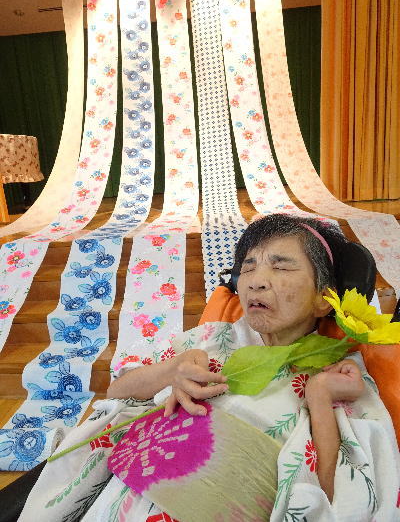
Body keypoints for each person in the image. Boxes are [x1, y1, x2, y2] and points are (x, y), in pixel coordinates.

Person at [18, 214, 400, 521]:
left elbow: (342, 498)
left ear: (323, 299)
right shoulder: (210, 339)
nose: (256, 282)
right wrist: (171, 371)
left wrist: (318, 397)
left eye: (281, 267)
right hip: (127, 499)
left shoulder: (339, 374)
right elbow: (117, 391)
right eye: (247, 267)